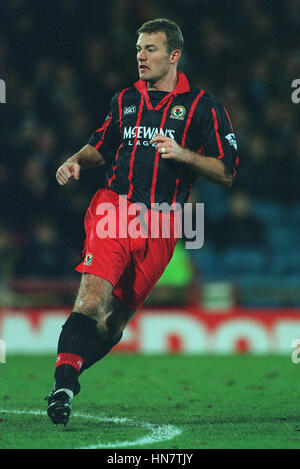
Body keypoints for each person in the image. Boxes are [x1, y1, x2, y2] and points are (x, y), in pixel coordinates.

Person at [46, 18, 238, 426]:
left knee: (114, 322)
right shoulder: (125, 100)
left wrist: (184, 154)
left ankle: (70, 371)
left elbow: (225, 171)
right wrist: (77, 159)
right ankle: (63, 387)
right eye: (138, 49)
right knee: (91, 301)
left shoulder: (204, 107)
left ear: (174, 56)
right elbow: (102, 144)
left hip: (163, 225)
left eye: (150, 49)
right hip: (115, 210)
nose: (141, 56)